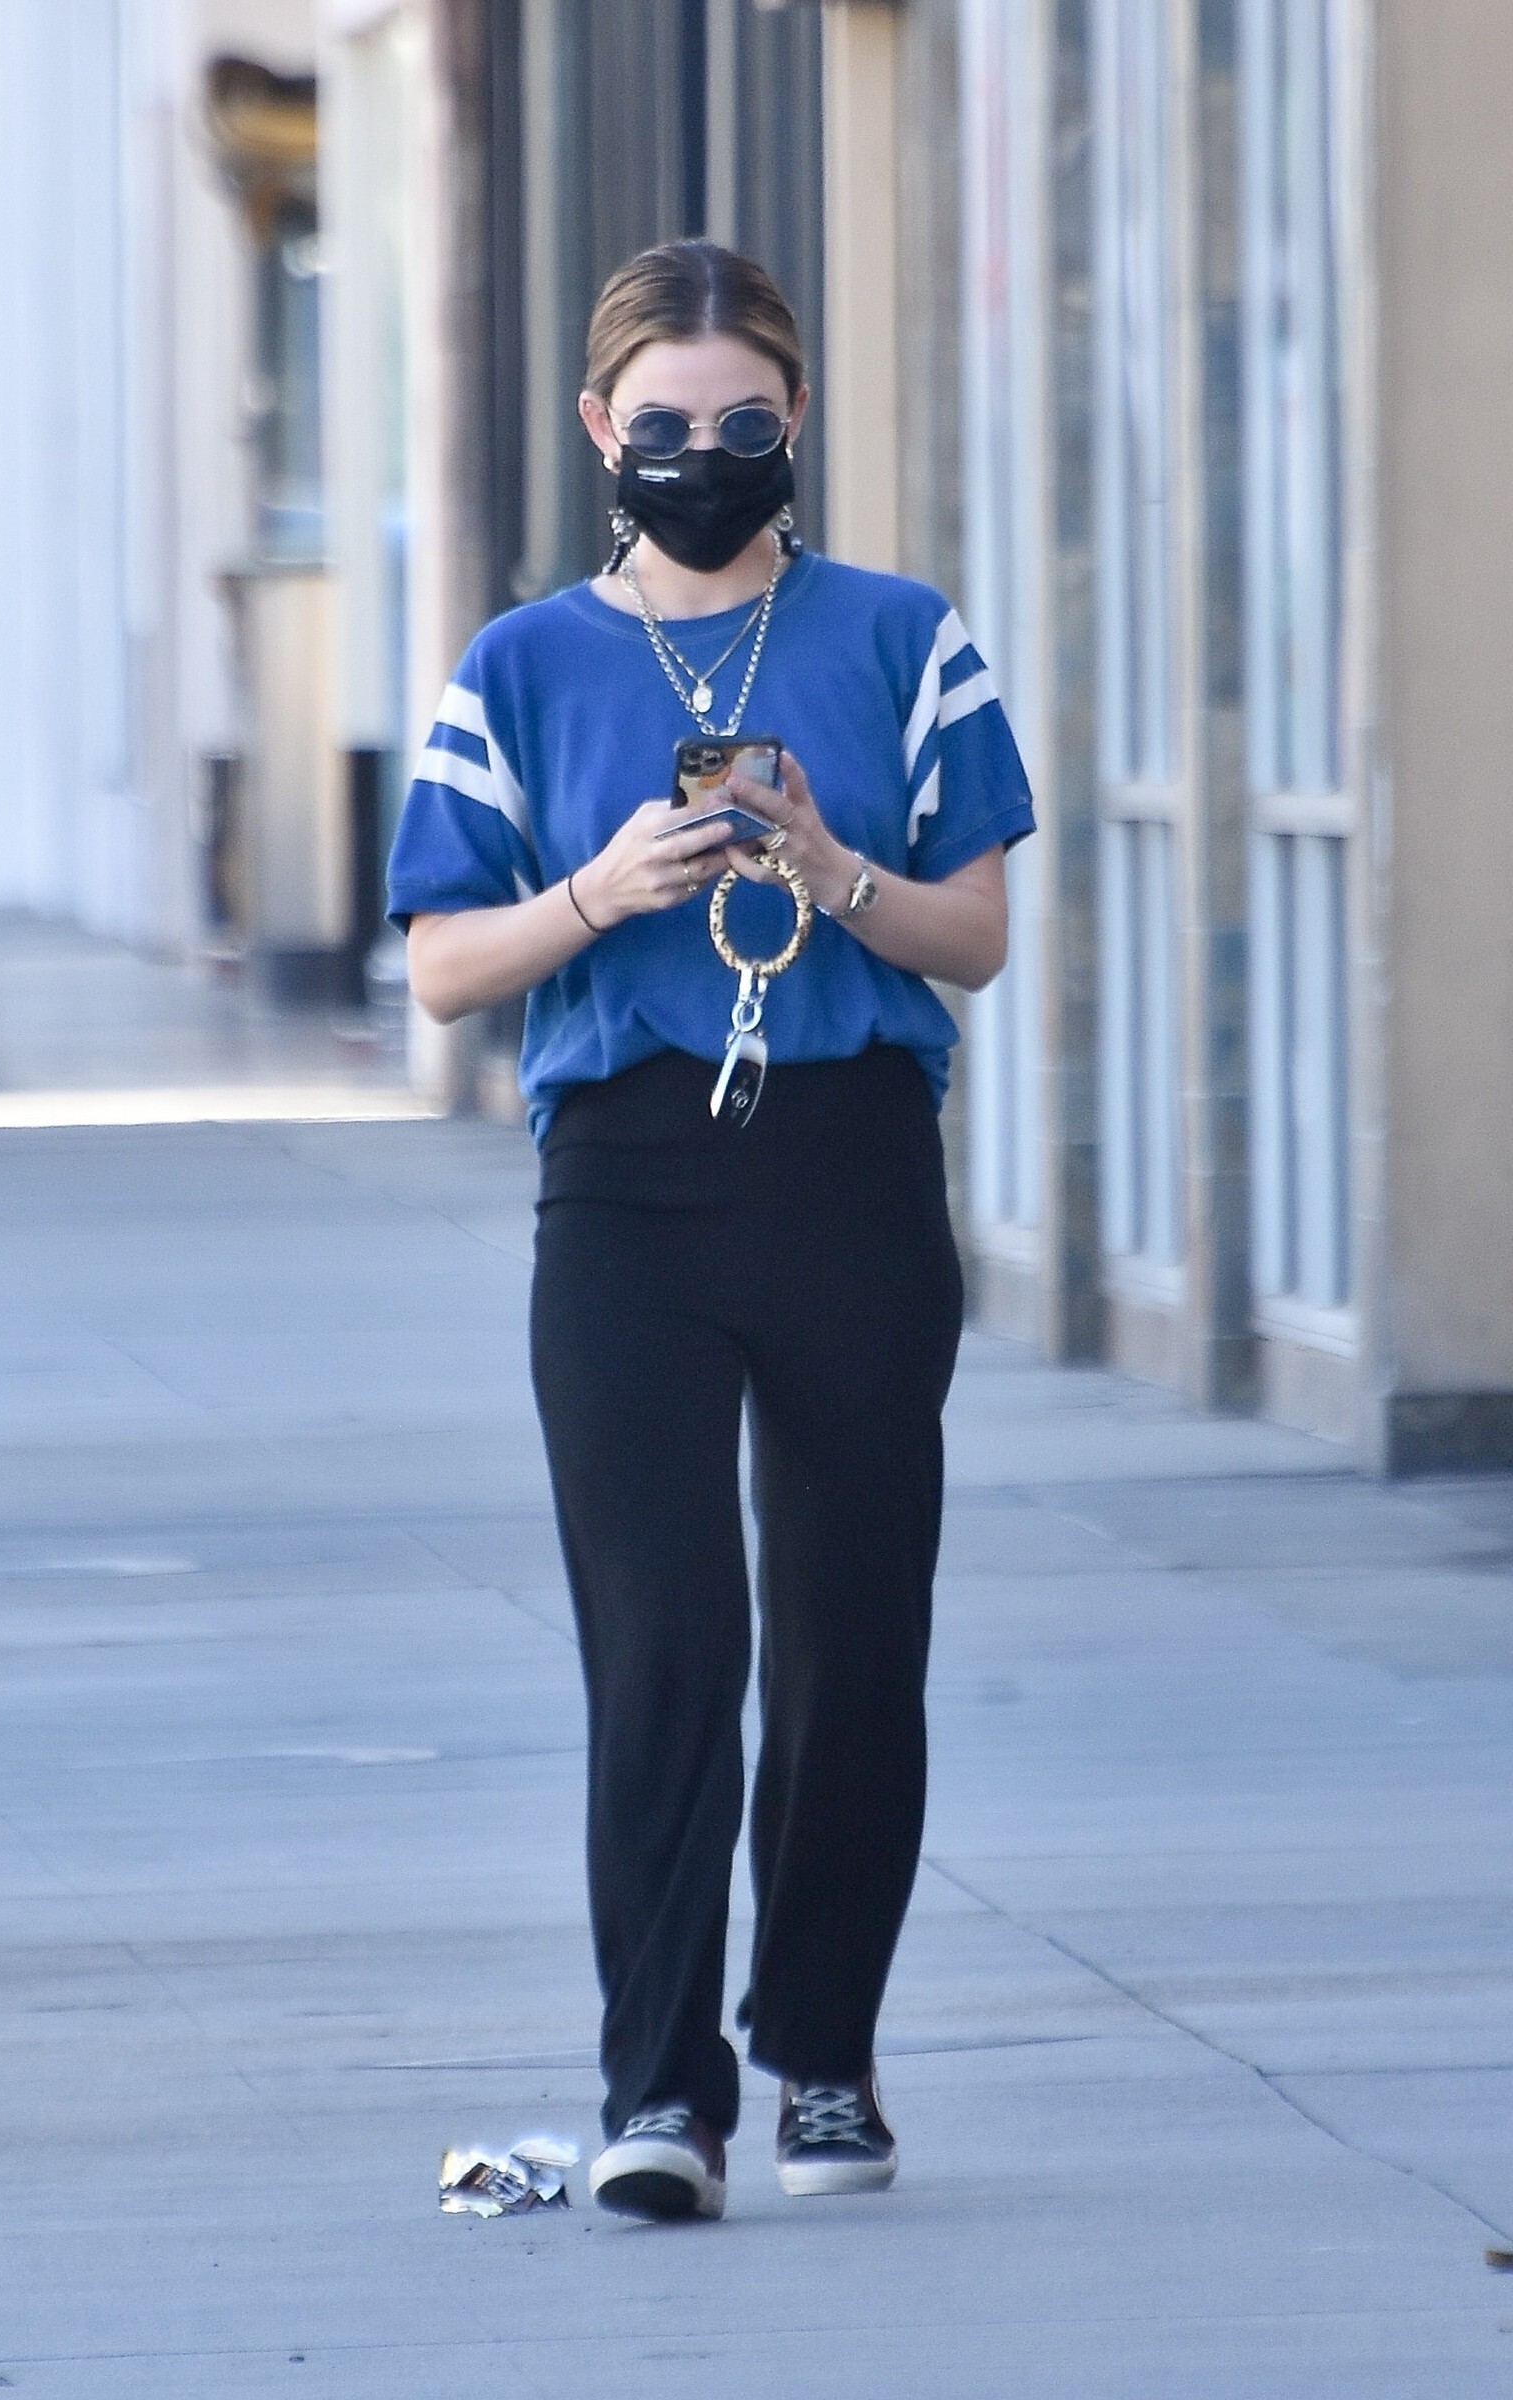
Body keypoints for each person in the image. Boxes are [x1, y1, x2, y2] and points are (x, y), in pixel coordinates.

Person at [388, 240, 1034, 2223]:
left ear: (797, 416)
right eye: (662, 422)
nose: (702, 452)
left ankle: (822, 2058)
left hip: (847, 1166)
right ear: (600, 426)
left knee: (850, 1639)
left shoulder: (902, 638)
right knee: (665, 1641)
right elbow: (440, 968)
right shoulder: (518, 667)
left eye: (742, 419)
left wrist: (830, 867)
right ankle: (660, 2092)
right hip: (627, 1188)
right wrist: (596, 891)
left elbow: (977, 937)